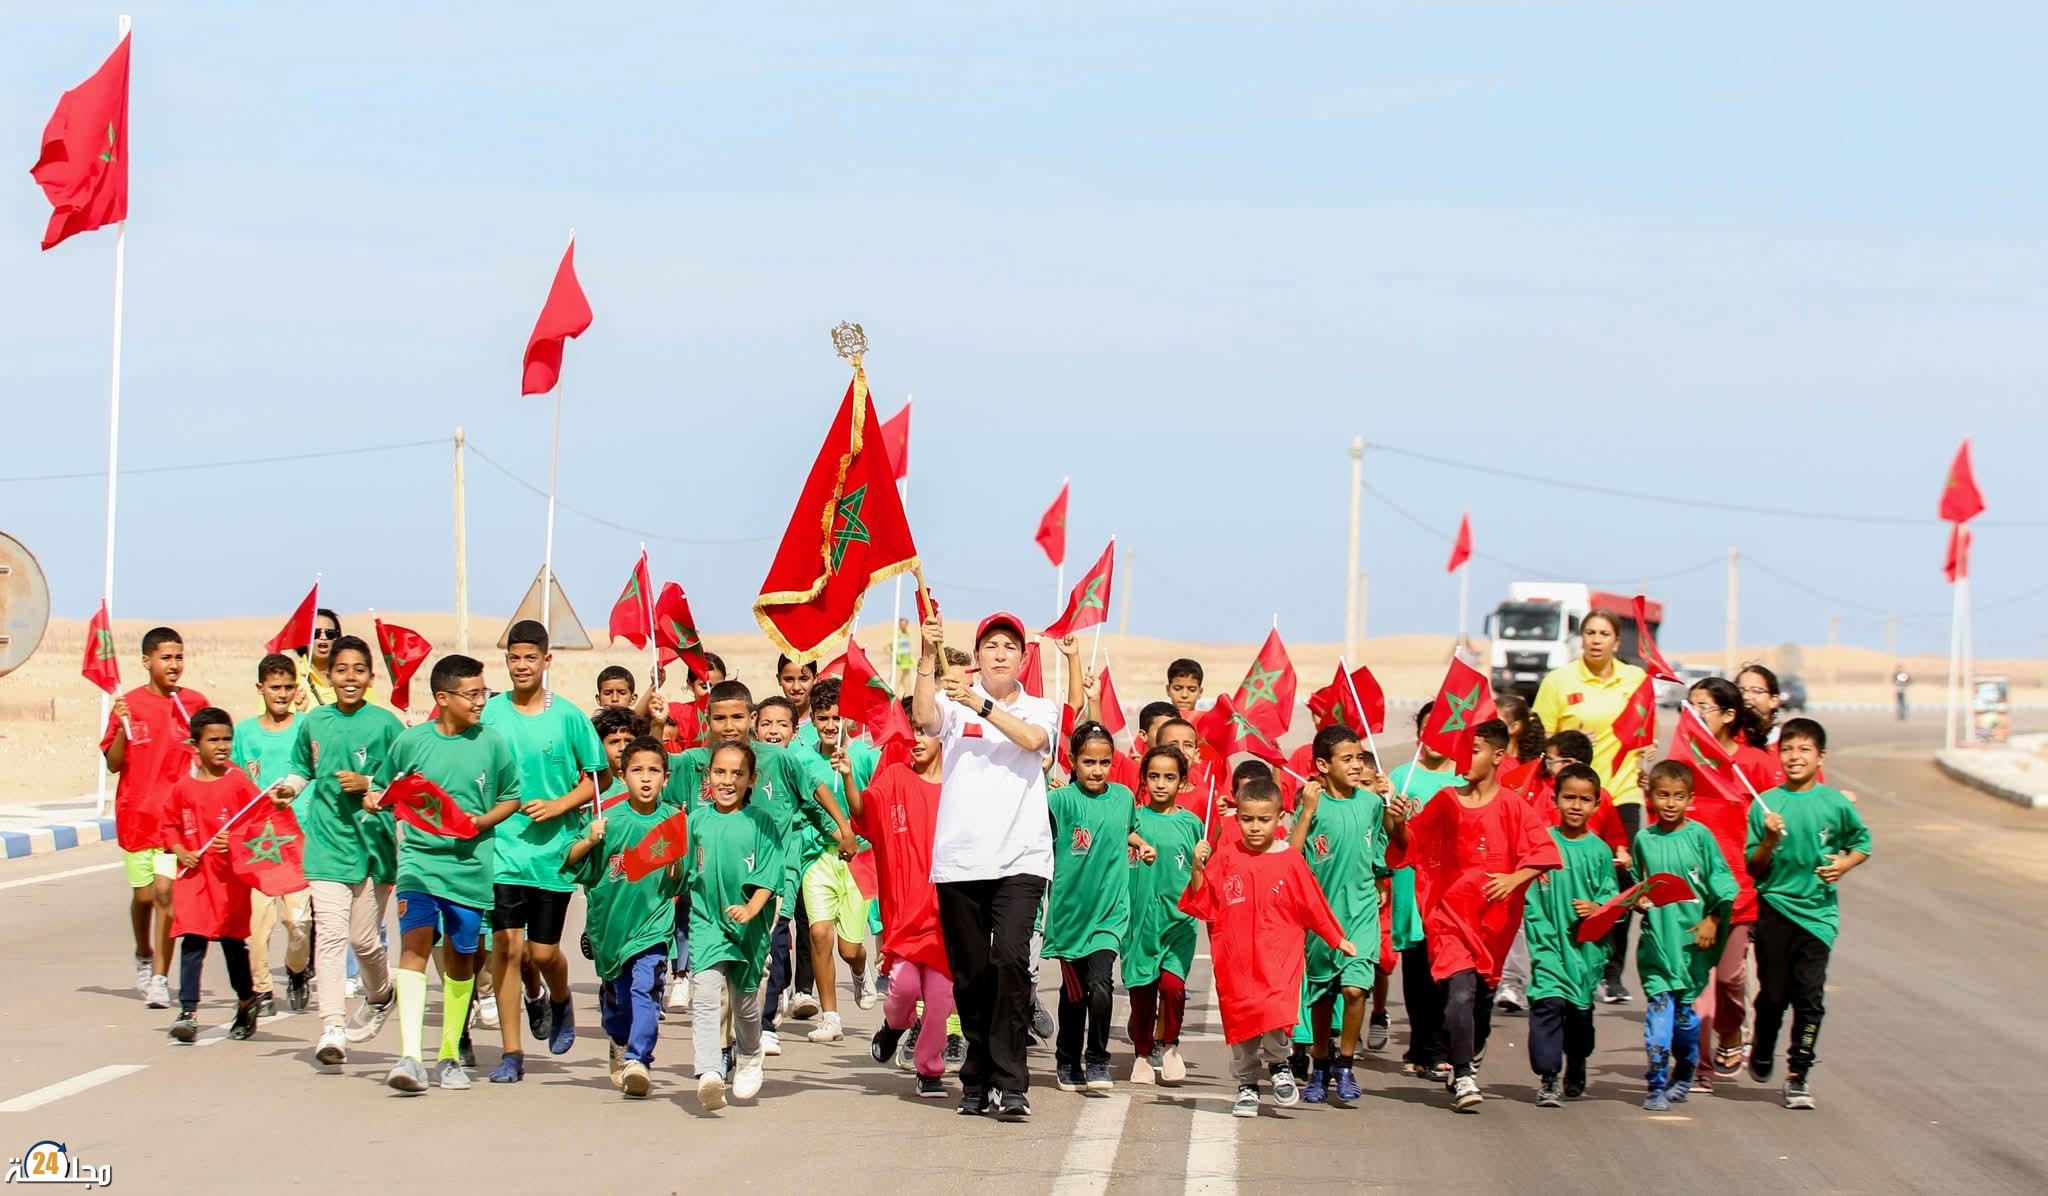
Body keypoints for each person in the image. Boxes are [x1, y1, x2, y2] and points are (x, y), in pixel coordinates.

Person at [915, 610, 1059, 1121]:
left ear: (1023, 658)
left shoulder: (1043, 708)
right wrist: (928, 657)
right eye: (991, 646)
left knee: (1011, 964)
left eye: (1009, 646)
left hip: (1021, 856)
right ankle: (976, 1077)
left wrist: (982, 702)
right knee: (972, 975)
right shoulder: (954, 707)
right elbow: (924, 718)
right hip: (960, 859)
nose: (1000, 654)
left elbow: (1032, 741)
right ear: (977, 656)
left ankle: (1012, 1082)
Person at [366, 654, 521, 1095]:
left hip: (470, 868)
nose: (480, 702)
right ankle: (410, 1056)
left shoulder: (493, 743)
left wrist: (481, 821)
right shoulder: (411, 743)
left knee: (461, 957)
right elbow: (382, 787)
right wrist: (374, 799)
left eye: (483, 693)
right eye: (472, 694)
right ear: (443, 698)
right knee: (415, 945)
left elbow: (511, 796)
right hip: (418, 864)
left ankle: (449, 1054)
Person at [1387, 719, 1559, 1112]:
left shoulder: (1513, 806)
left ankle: (1471, 1049)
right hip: (1448, 917)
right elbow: (1409, 843)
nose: (1466, 758)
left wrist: (1515, 878)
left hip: (1493, 925)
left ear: (1499, 756)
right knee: (1458, 994)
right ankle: (1463, 1073)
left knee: (1481, 1001)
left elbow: (1544, 853)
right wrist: (1396, 822)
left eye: (1476, 750)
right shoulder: (1446, 800)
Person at [1178, 779, 1353, 1119]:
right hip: (1236, 958)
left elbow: (1313, 904)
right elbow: (1203, 901)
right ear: (1237, 818)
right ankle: (1246, 1083)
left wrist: (1335, 937)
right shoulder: (1226, 857)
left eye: (1263, 819)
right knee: (1242, 1019)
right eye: (1247, 819)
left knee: (1275, 1011)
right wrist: (1198, 867)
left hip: (1278, 958)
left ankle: (1279, 1063)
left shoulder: (1290, 860)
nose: (1255, 827)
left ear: (1279, 819)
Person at [267, 634, 401, 1066]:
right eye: (341, 670)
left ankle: (382, 993)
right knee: (330, 937)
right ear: (328, 674)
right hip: (326, 846)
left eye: (358, 670)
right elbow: (302, 769)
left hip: (374, 848)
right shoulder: (314, 722)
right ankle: (332, 1027)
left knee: (364, 940)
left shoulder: (386, 725)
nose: (349, 678)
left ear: (370, 676)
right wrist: (288, 789)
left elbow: (410, 785)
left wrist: (371, 786)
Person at [480, 620, 605, 1082]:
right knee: (507, 950)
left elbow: (597, 778)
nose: (522, 666)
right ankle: (511, 1053)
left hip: (554, 852)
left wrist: (558, 806)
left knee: (542, 952)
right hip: (504, 850)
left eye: (531, 657)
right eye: (514, 658)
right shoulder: (491, 713)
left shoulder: (568, 716)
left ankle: (559, 998)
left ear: (546, 661)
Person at [1746, 718, 1871, 1110]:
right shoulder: (1766, 804)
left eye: (1804, 750)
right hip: (1775, 909)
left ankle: (1798, 1074)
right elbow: (1755, 866)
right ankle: (1763, 1045)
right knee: (1774, 996)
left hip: (1818, 916)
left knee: (1810, 997)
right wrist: (1767, 838)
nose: (1795, 757)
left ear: (1821, 757)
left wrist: (1844, 865)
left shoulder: (1835, 803)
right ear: (1778, 755)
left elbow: (1862, 843)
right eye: (1787, 749)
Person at [1531, 609, 1650, 1005]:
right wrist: (1568, 739)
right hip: (1571, 796)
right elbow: (1539, 735)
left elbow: (1645, 730)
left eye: (1604, 634)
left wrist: (1646, 750)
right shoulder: (1559, 681)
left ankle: (1611, 973)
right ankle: (1560, 960)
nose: (1596, 640)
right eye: (1589, 633)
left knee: (1621, 883)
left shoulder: (1635, 680)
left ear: (1617, 642)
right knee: (1565, 879)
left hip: (1622, 792)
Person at [563, 736, 684, 1099]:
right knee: (618, 999)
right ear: (622, 775)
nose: (645, 779)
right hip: (611, 928)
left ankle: (638, 1058)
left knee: (644, 987)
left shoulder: (674, 823)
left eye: (654, 771)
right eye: (637, 771)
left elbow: (684, 877)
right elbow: (572, 865)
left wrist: (678, 866)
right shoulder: (607, 821)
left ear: (666, 776)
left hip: (654, 928)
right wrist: (587, 841)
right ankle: (619, 1040)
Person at [852, 699, 956, 1099]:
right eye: (912, 730)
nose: (916, 739)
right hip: (906, 920)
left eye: (926, 731)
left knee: (941, 998)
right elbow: (863, 810)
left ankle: (929, 1069)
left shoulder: (960, 787)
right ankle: (894, 1027)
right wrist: (847, 777)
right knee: (904, 989)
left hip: (947, 918)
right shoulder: (895, 776)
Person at [102, 625, 209, 1010]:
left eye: (179, 657)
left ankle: (162, 978)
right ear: (147, 661)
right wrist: (122, 727)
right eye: (166, 657)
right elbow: (114, 763)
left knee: (167, 896)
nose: (174, 664)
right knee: (144, 897)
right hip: (137, 817)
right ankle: (143, 953)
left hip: (177, 822)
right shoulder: (129, 705)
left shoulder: (194, 703)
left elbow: (210, 754)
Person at [1289, 726, 1390, 1106]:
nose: (1355, 765)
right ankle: (1319, 1063)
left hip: (1361, 913)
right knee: (1321, 996)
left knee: (1353, 988)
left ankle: (1345, 1064)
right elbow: (1293, 857)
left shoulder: (1370, 804)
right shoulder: (1312, 806)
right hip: (1320, 918)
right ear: (1322, 765)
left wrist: (1382, 879)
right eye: (1346, 759)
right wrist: (1307, 812)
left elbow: (1381, 848)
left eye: (1359, 758)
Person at [1683, 677, 1776, 1087]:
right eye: (1691, 705)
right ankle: (1696, 1063)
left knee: (1729, 980)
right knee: (1692, 984)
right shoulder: (1685, 764)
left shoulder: (1754, 765)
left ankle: (1733, 1030)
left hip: (1737, 892)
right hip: (1690, 892)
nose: (1695, 713)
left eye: (1704, 705)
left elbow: (1776, 817)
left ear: (1729, 715)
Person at [1044, 722, 1144, 1093]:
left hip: (1109, 913)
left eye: (1104, 762)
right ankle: (1067, 1060)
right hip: (1071, 918)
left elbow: (1123, 830)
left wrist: (1140, 843)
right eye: (1088, 762)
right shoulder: (1060, 801)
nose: (1097, 770)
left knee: (1101, 986)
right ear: (1072, 761)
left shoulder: (1123, 798)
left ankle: (1098, 1058)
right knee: (1075, 996)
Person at [1631, 760, 1737, 1111]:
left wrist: (1712, 919)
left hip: (1692, 945)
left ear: (1690, 798)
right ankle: (1655, 1085)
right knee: (1659, 1019)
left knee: (1684, 1019)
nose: (1671, 803)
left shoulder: (1700, 837)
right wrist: (1639, 900)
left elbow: (1722, 883)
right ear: (1651, 797)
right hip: (1658, 946)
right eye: (1663, 795)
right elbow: (1636, 885)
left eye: (1679, 796)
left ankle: (1688, 1066)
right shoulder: (1644, 839)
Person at [686, 742, 783, 1111]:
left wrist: (751, 907)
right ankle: (709, 1071)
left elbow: (770, 874)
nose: (727, 781)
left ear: (751, 780)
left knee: (744, 1002)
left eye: (737, 774)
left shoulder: (761, 821)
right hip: (706, 920)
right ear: (708, 775)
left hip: (748, 927)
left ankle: (749, 1053)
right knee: (707, 995)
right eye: (720, 772)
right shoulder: (696, 820)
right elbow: (679, 868)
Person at [162, 707, 261, 1044]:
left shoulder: (239, 783)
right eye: (213, 739)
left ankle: (247, 999)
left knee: (233, 945)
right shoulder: (183, 788)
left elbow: (259, 825)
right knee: (192, 939)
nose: (221, 746)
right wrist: (180, 852)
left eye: (226, 739)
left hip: (229, 882)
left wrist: (234, 839)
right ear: (195, 745)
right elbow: (170, 825)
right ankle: (188, 1012)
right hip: (194, 879)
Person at [1522, 764, 1616, 1106]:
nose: (1576, 805)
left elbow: (1611, 895)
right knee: (1548, 1005)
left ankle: (1576, 1060)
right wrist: (1540, 934)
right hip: (1548, 947)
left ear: (1596, 804)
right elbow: (1530, 895)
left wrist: (1597, 907)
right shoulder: (1542, 844)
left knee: (1578, 1016)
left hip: (1585, 952)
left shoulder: (1601, 852)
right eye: (1569, 798)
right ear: (1556, 799)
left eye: (1585, 799)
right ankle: (1548, 1076)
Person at [797, 679, 878, 1043]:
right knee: (818, 933)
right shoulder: (801, 758)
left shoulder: (863, 755)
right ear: (812, 719)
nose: (830, 725)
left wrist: (848, 776)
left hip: (859, 860)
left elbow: (873, 805)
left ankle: (861, 970)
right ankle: (830, 1015)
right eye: (822, 718)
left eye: (836, 717)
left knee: (848, 948)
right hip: (817, 857)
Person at [233, 653, 312, 1016]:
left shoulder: (307, 728)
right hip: (259, 845)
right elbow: (234, 782)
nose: (280, 694)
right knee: (258, 926)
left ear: (297, 689)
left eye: (287, 687)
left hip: (301, 841)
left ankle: (297, 971)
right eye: (274, 687)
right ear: (260, 688)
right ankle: (262, 987)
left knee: (298, 923)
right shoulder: (245, 734)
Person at [1386, 701, 1459, 1080]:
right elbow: (1388, 835)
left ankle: (1439, 1048)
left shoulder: (1464, 779)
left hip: (1450, 890)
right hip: (1410, 887)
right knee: (1417, 972)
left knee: (1447, 972)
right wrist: (1390, 812)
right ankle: (1422, 1045)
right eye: (1427, 729)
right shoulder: (1402, 776)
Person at [1125, 745, 1203, 1086]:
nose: (1161, 784)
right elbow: (1116, 837)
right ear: (1144, 779)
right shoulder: (1135, 818)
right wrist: (1137, 842)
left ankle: (1170, 1045)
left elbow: (1201, 881)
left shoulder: (1192, 824)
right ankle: (1142, 1053)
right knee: (1142, 990)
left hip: (1179, 923)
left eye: (1169, 777)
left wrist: (1200, 861)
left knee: (1172, 987)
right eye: (1154, 776)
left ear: (1182, 782)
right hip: (1140, 922)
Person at [297, 609, 377, 707]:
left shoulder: (354, 678)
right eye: (315, 633)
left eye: (330, 634)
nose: (323, 637)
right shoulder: (292, 676)